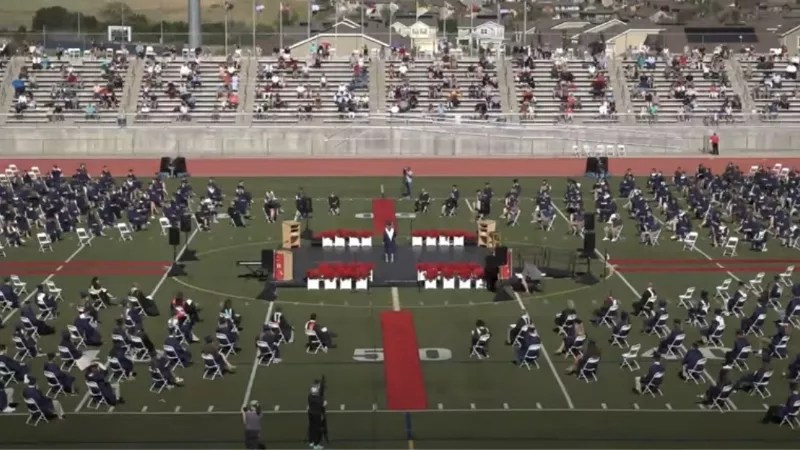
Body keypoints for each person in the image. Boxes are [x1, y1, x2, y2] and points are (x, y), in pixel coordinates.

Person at [307, 377, 327, 450]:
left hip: (310, 413)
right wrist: (324, 403)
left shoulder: (310, 396)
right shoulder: (318, 399)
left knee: (311, 427)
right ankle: (316, 444)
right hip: (316, 414)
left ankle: (311, 441)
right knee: (317, 429)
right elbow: (322, 404)